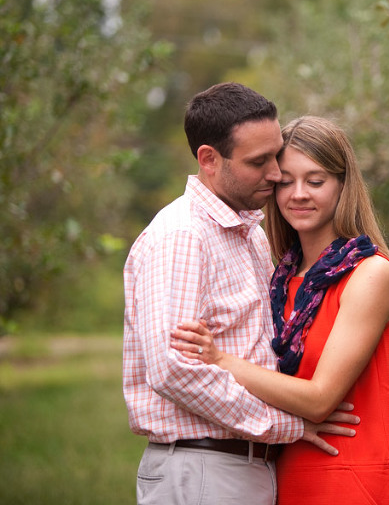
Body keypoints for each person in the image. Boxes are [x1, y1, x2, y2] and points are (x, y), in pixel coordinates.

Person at [123, 84, 359, 505]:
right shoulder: (183, 236)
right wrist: (287, 425)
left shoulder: (246, 233)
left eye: (275, 154)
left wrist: (358, 340)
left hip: (244, 467)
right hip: (204, 470)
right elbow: (173, 370)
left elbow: (272, 334)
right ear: (209, 159)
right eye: (259, 161)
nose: (275, 173)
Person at [171, 115, 389, 505]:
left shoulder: (369, 273)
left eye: (316, 181)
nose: (298, 194)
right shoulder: (278, 277)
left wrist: (217, 359)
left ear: (343, 185)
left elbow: (319, 399)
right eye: (286, 182)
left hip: (344, 471)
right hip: (280, 468)